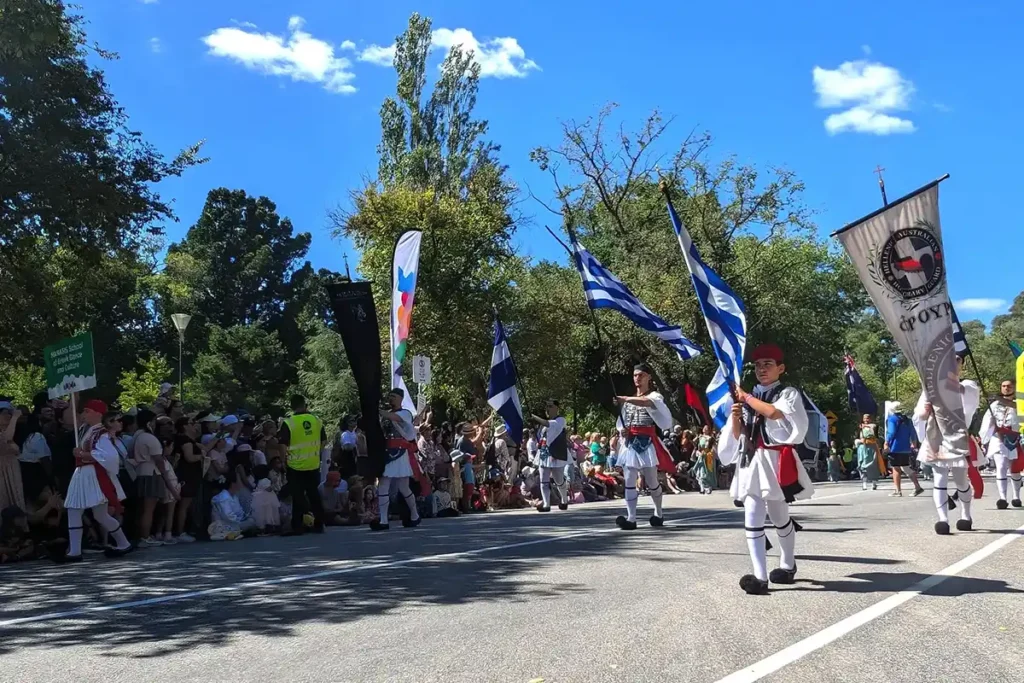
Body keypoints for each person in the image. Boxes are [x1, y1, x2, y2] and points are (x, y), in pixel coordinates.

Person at [716, 344, 813, 595]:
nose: (761, 369)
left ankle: (788, 564)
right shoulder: (748, 397)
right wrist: (736, 416)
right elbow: (738, 435)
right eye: (758, 365)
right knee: (752, 514)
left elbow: (773, 413)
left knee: (780, 516)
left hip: (775, 460)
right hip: (751, 461)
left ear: (780, 368)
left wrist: (745, 397)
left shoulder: (787, 393)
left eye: (767, 364)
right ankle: (759, 576)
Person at [913, 354, 980, 535]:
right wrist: (925, 409)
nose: (953, 362)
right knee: (940, 478)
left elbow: (968, 407)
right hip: (937, 437)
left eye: (957, 360)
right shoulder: (930, 388)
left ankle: (966, 515)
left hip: (957, 437)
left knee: (960, 480)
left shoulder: (969, 386)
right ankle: (943, 519)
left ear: (962, 365)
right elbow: (919, 414)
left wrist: (941, 384)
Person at [60, 401, 133, 562]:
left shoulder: (101, 433)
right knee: (96, 513)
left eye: (87, 411)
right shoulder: (89, 431)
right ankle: (122, 543)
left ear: (98, 413)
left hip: (92, 474)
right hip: (84, 474)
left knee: (80, 509)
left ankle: (75, 551)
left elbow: (111, 456)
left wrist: (85, 455)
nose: (83, 414)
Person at [613, 363, 675, 530]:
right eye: (635, 375)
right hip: (630, 444)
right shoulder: (629, 401)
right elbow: (621, 423)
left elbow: (647, 402)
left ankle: (658, 513)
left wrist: (625, 398)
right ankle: (631, 518)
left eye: (641, 375)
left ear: (648, 377)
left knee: (652, 480)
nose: (637, 378)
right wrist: (622, 431)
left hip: (647, 443)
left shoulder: (655, 396)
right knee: (629, 479)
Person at [373, 388, 423, 531]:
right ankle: (383, 519)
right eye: (390, 396)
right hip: (387, 452)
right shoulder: (386, 415)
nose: (391, 399)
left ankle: (414, 515)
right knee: (383, 483)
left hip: (400, 452)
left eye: (394, 396)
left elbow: (396, 419)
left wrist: (379, 411)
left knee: (403, 486)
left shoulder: (405, 413)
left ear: (401, 398)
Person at [279, 395, 327, 536]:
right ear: (305, 405)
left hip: (295, 465)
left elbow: (282, 444)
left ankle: (298, 525)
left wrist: (283, 461)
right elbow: (323, 441)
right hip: (313, 463)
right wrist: (316, 453)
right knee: (313, 494)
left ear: (292, 406)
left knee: (297, 494)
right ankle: (318, 524)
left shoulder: (289, 423)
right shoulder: (316, 420)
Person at [979, 379, 1022, 509]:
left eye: (1009, 386)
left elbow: (1016, 407)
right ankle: (1002, 498)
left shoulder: (1020, 402)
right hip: (999, 439)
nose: (1006, 388)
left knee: (1015, 471)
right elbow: (988, 421)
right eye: (1003, 386)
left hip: (1016, 439)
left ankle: (1016, 497)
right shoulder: (995, 404)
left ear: (1014, 387)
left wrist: (996, 397)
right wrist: (984, 437)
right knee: (1001, 467)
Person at [529, 399, 570, 513]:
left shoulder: (560, 420)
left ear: (557, 408)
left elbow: (550, 425)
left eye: (550, 406)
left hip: (556, 453)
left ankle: (564, 500)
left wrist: (534, 417)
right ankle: (546, 504)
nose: (548, 408)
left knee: (558, 480)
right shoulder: (543, 425)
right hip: (544, 453)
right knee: (543, 480)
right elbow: (543, 437)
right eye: (547, 406)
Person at [884, 403, 924, 497]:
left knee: (896, 468)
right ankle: (917, 487)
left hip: (895, 447)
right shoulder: (907, 420)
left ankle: (898, 490)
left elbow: (891, 432)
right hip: (905, 447)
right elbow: (913, 432)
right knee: (906, 467)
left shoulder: (892, 419)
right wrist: (914, 442)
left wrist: (886, 442)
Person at [855, 414, 881, 491]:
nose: (866, 419)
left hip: (872, 448)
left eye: (868, 418)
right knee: (862, 466)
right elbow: (856, 438)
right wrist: (859, 440)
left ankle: (874, 483)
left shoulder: (874, 426)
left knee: (873, 465)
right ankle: (864, 483)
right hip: (862, 448)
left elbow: (876, 437)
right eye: (865, 418)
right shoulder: (859, 427)